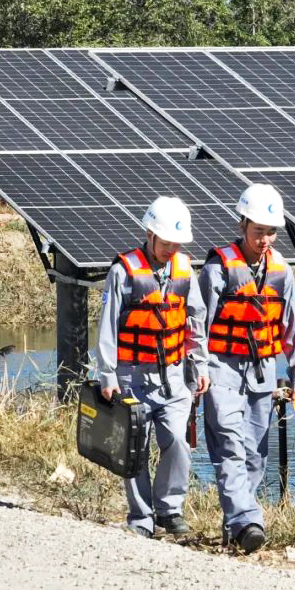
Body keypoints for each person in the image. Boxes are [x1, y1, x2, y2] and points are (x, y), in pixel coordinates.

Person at [199, 183, 295, 553]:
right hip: (221, 372)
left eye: (271, 231)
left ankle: (234, 527)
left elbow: (294, 329)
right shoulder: (218, 268)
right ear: (242, 223)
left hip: (262, 375)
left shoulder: (282, 273)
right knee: (229, 446)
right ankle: (249, 522)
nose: (265, 239)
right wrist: (197, 370)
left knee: (254, 458)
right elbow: (197, 325)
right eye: (259, 230)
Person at [96, 196, 210, 537]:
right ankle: (141, 518)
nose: (170, 248)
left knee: (177, 441)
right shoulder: (123, 272)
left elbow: (196, 321)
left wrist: (200, 366)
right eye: (165, 242)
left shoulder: (184, 270)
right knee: (136, 446)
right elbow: (108, 327)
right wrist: (107, 374)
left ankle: (170, 510)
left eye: (176, 243)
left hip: (175, 376)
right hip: (132, 374)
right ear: (149, 234)